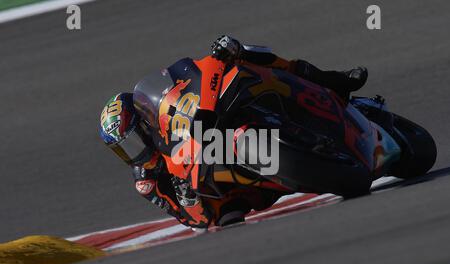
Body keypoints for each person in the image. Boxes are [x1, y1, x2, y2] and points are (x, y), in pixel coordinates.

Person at [99, 35, 368, 229]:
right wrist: (188, 197)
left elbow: (194, 76)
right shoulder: (147, 180)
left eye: (133, 139)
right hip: (230, 194)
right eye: (124, 148)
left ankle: (332, 80)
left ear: (145, 121)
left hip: (216, 134)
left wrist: (221, 56)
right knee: (226, 218)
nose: (135, 151)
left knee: (245, 54)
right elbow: (192, 220)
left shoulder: (166, 116)